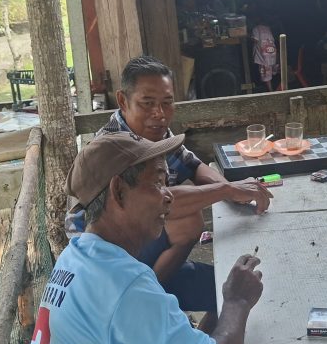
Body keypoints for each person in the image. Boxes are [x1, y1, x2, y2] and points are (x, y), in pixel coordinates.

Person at [22, 130, 264, 344]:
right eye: (157, 183)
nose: (168, 195)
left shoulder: (75, 256)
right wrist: (237, 302)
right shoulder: (125, 285)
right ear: (118, 191)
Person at [67, 55, 271, 329]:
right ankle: (144, 303)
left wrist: (233, 191)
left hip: (146, 256)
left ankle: (200, 338)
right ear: (123, 101)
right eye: (147, 103)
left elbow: (192, 165)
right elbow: (158, 202)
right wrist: (226, 188)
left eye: (167, 102)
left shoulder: (156, 133)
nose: (160, 113)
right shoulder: (113, 148)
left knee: (229, 291)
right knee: (188, 220)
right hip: (106, 268)